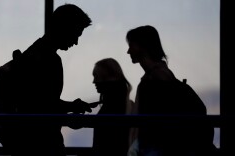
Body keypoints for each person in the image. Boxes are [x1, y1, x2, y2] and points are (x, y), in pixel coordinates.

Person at [0, 4, 92, 156]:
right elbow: (42, 106)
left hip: (22, 145)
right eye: (75, 35)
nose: (76, 42)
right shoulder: (50, 61)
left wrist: (70, 107)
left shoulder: (28, 57)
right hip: (43, 145)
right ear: (64, 28)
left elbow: (38, 102)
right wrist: (70, 111)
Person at [125, 25, 218, 156]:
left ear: (142, 46)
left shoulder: (155, 79)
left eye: (131, 45)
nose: (128, 51)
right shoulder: (161, 76)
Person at [90, 58, 133, 156]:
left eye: (96, 76)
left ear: (107, 77)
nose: (94, 81)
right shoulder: (120, 102)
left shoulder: (112, 106)